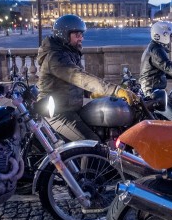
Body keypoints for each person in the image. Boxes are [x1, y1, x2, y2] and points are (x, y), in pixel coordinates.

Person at [36, 14, 136, 142]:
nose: (81, 38)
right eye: (77, 35)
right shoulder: (55, 58)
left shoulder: (69, 53)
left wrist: (94, 93)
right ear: (64, 35)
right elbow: (80, 77)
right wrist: (115, 90)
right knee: (92, 143)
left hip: (71, 109)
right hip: (57, 113)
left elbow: (74, 85)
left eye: (82, 35)